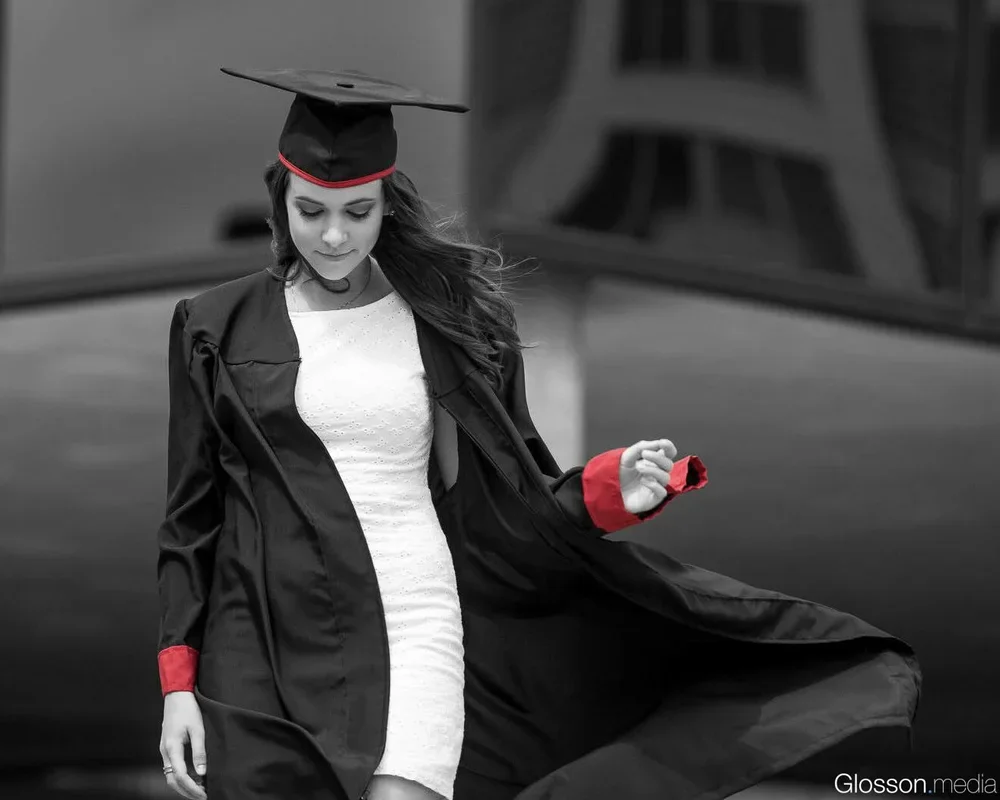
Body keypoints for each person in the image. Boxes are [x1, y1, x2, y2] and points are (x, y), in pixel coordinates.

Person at [156, 68, 920, 800]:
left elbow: (516, 498)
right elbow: (191, 522)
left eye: (356, 211)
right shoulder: (214, 328)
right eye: (311, 210)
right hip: (259, 638)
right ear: (279, 201)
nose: (332, 236)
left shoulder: (445, 321)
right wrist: (178, 687)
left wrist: (607, 490)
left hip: (415, 618)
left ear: (386, 205)